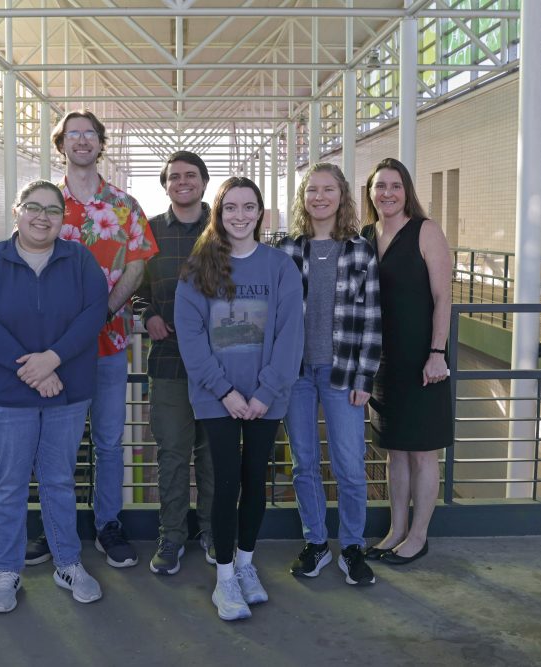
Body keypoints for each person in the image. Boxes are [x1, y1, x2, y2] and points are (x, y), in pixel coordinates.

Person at [0, 180, 108, 613]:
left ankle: (67, 562)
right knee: (8, 485)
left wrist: (54, 359)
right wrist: (33, 368)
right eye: (33, 207)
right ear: (16, 212)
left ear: (64, 219)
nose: (42, 217)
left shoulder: (79, 260)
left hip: (65, 392)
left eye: (52, 210)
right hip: (5, 394)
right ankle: (6, 571)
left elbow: (92, 314)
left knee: (59, 480)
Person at [25, 110, 158, 569]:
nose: (82, 141)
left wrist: (101, 313)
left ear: (101, 144)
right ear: (61, 144)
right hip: (55, 353)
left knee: (108, 442)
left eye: (90, 135)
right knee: (55, 448)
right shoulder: (44, 205)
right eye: (73, 134)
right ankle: (55, 528)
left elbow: (138, 264)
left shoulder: (124, 205)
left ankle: (108, 525)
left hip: (109, 347)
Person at [175, 177, 303, 621]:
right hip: (217, 398)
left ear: (261, 213)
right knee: (225, 483)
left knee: (255, 483)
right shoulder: (198, 269)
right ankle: (225, 578)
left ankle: (247, 566)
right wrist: (225, 392)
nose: (240, 216)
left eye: (249, 207)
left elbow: (290, 336)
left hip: (267, 397)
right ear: (219, 213)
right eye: (231, 207)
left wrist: (267, 391)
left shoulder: (280, 267)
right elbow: (191, 340)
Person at [278, 163, 382, 586]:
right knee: (304, 464)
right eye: (312, 191)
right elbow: (276, 318)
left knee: (350, 466)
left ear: (342, 197)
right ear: (304, 199)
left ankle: (352, 546)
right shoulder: (287, 250)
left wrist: (364, 379)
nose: (319, 197)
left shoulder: (360, 251)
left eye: (328, 190)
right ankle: (316, 542)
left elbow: (373, 319)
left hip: (343, 374)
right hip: (297, 375)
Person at [359, 157, 453, 566]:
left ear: (406, 189)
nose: (387, 193)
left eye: (394, 186)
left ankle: (418, 535)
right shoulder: (365, 236)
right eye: (379, 186)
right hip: (381, 361)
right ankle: (396, 529)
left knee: (423, 452)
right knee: (394, 451)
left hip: (421, 358)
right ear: (370, 193)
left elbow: (443, 297)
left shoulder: (426, 231)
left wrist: (437, 353)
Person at [133, 150, 216, 575]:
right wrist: (147, 314)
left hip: (220, 367)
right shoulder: (149, 232)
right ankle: (172, 536)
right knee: (172, 455)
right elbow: (137, 287)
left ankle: (213, 532)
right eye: (174, 177)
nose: (183, 182)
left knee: (213, 456)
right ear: (165, 185)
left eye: (191, 175)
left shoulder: (221, 229)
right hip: (168, 363)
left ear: (203, 181)